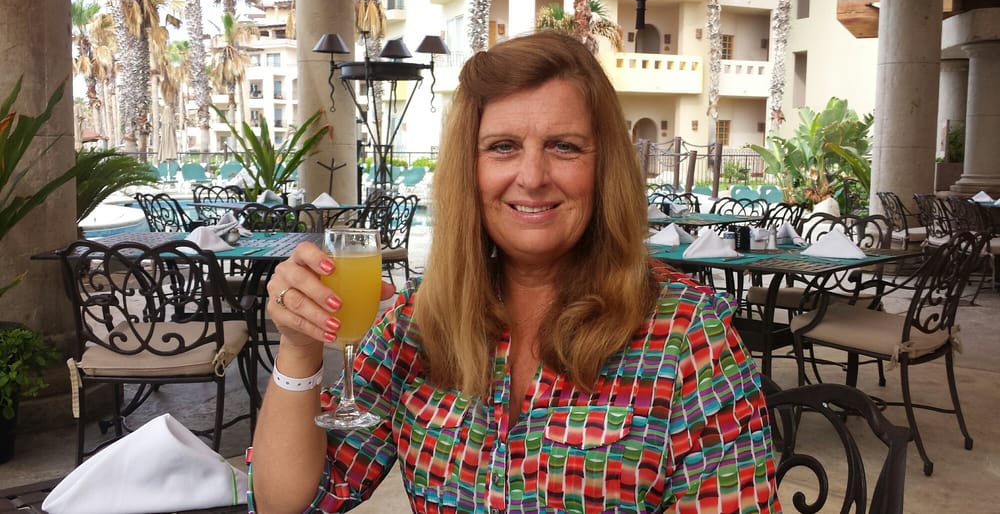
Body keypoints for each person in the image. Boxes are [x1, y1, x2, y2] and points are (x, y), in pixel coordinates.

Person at [249, 30, 779, 513]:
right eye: (502, 147)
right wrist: (299, 347)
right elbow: (289, 503)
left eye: (564, 146)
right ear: (470, 168)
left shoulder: (687, 334)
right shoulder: (416, 324)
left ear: (603, 166)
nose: (532, 176)